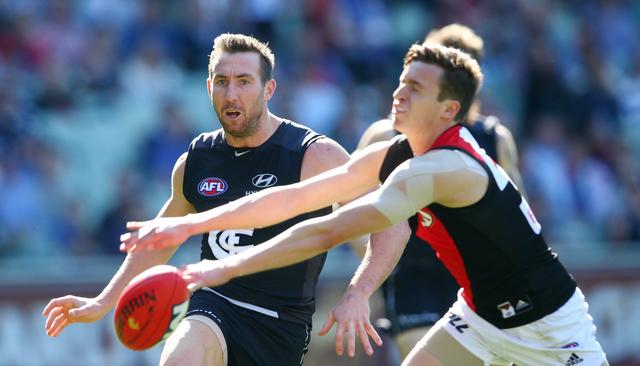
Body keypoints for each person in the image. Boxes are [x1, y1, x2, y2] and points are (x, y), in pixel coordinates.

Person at [120, 44, 609, 365]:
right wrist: (191, 226)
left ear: (449, 110)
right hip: (480, 317)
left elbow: (323, 231)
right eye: (401, 80)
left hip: (550, 325)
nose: (398, 92)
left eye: (415, 88)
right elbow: (295, 197)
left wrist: (223, 269)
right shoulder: (400, 151)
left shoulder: (441, 169)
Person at [42, 33, 408, 366]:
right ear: (208, 87)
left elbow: (392, 225)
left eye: (244, 82)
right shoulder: (196, 160)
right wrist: (102, 303)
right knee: (182, 356)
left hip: (279, 328)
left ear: (269, 89)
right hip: (212, 303)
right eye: (222, 82)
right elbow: (159, 242)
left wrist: (358, 293)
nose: (231, 94)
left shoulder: (314, 155)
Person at [353, 23, 525, 361]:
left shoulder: (494, 138)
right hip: (411, 272)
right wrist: (375, 262)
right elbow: (347, 203)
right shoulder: (386, 137)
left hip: (472, 277)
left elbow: (516, 215)